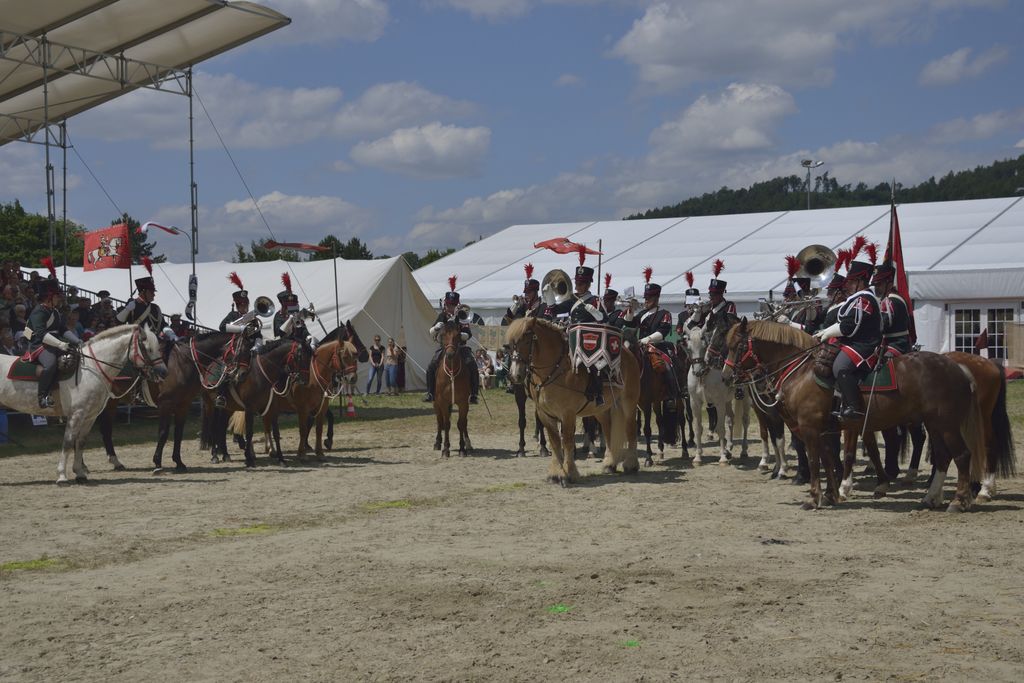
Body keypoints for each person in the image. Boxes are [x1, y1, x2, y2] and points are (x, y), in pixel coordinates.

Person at [814, 238, 882, 421]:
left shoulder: (865, 299)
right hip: (854, 341)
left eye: (851, 281)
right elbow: (845, 323)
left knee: (840, 366)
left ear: (860, 281)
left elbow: (849, 326)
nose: (847, 285)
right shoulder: (858, 298)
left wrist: (827, 333)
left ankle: (854, 406)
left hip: (864, 344)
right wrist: (823, 333)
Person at [423, 276, 480, 404]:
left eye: (453, 305)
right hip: (445, 347)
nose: (451, 307)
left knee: (472, 365)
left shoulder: (461, 316)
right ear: (446, 304)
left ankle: (474, 394)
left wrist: (460, 335)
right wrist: (437, 327)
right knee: (431, 366)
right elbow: (431, 333)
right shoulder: (442, 316)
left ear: (457, 305)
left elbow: (468, 334)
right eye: (449, 304)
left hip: (460, 347)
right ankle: (430, 393)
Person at [27, 275, 81, 408]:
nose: (59, 299)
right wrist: (60, 344)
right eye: (57, 296)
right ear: (49, 297)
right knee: (50, 364)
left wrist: (77, 340)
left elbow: (62, 329)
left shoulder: (55, 312)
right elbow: (40, 334)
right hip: (40, 346)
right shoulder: (38, 311)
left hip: (56, 344)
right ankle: (43, 396)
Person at [626, 267, 678, 400]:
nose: (646, 300)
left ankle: (672, 393)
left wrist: (646, 340)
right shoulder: (642, 314)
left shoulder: (664, 313)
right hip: (640, 347)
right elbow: (630, 324)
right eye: (645, 297)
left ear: (656, 298)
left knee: (667, 365)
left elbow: (662, 333)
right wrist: (630, 310)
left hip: (657, 347)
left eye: (649, 298)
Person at [564, 251, 607, 405]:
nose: (577, 286)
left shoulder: (595, 300)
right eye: (576, 283)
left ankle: (598, 391)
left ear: (588, 284)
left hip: (588, 338)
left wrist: (595, 311)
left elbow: (605, 320)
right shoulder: (571, 299)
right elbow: (554, 308)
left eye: (581, 283)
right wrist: (548, 294)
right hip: (570, 335)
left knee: (594, 362)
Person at [216, 272, 263, 408]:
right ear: (237, 305)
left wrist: (257, 346)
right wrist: (240, 329)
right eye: (241, 305)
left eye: (246, 304)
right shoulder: (232, 315)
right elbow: (222, 327)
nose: (244, 307)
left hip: (250, 349)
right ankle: (221, 395)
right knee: (226, 369)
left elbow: (258, 335)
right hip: (234, 348)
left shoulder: (252, 318)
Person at [871, 259, 912, 356]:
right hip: (900, 343)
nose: (876, 288)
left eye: (879, 284)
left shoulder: (889, 301)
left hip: (896, 345)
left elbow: (881, 325)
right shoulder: (896, 297)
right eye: (875, 285)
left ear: (889, 284)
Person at [115, 260, 164, 332]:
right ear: (143, 292)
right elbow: (119, 322)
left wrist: (168, 331)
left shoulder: (155, 308)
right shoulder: (132, 305)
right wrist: (127, 309)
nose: (154, 294)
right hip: (137, 339)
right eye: (151, 292)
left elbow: (163, 324)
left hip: (154, 339)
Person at [675, 272, 700, 336]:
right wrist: (680, 330)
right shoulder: (682, 315)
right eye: (690, 301)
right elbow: (679, 330)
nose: (691, 304)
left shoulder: (702, 314)